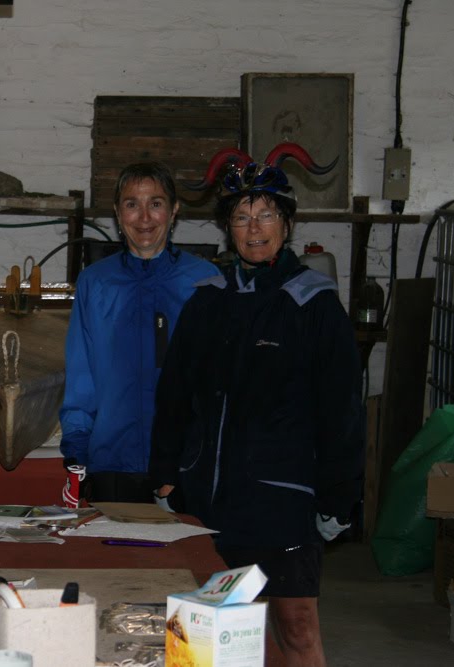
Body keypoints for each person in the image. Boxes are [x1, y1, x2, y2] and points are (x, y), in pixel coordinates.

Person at [149, 145, 365, 667]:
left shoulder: (314, 304)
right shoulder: (207, 300)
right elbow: (175, 393)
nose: (254, 228)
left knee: (294, 627)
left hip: (283, 504)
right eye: (242, 217)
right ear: (229, 227)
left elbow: (342, 413)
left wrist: (338, 499)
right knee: (203, 630)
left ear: (286, 225)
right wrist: (165, 475)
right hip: (209, 499)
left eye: (267, 214)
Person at [59, 162, 218, 505]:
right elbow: (81, 376)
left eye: (156, 203)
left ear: (174, 211)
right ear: (117, 213)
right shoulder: (95, 283)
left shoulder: (206, 282)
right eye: (132, 204)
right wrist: (76, 447)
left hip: (187, 463)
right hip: (113, 461)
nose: (144, 218)